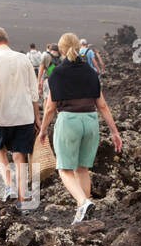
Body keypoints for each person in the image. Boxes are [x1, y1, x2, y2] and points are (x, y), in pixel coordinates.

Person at [39, 32, 122, 224]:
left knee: (65, 169)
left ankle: (83, 202)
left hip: (69, 121)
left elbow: (51, 107)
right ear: (78, 47)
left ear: (60, 49)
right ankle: (83, 213)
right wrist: (114, 131)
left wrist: (43, 129)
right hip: (91, 121)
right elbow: (102, 105)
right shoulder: (90, 72)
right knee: (82, 169)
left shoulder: (57, 73)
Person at [0, 27, 41, 207]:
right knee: (19, 156)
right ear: (7, 40)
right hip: (24, 116)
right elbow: (34, 92)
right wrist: (37, 118)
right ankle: (22, 201)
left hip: (3, 116)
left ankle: (9, 185)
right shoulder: (24, 59)